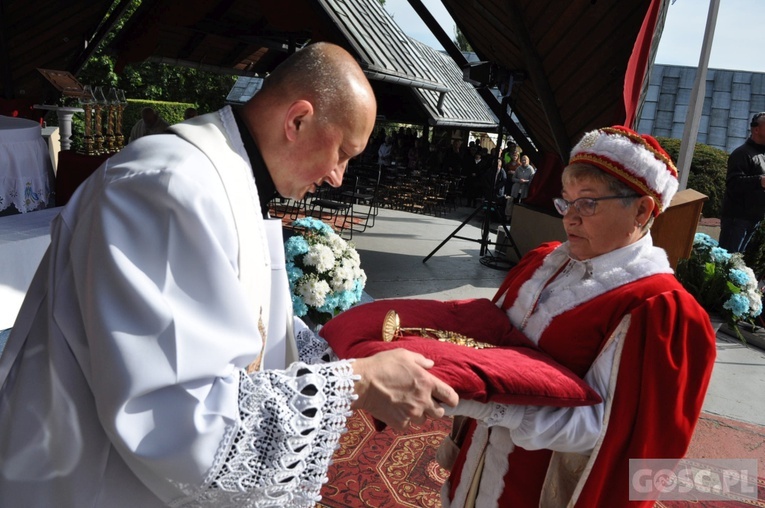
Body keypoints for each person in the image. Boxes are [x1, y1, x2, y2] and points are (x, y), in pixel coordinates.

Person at [0, 42, 457, 507]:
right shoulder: (167, 186)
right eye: (343, 151)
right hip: (88, 476)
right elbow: (170, 416)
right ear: (297, 120)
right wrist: (353, 382)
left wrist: (334, 354)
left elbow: (242, 320)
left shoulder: (230, 175)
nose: (339, 175)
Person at [441, 126, 717, 507]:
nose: (569, 218)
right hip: (476, 467)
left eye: (588, 203)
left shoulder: (657, 309)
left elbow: (607, 434)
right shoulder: (543, 261)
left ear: (642, 210)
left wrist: (486, 402)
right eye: (566, 201)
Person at [718, 112, 765, 253]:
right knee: (727, 261)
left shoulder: (762, 155)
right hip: (737, 219)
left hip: (754, 218)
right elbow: (733, 183)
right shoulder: (741, 153)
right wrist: (760, 180)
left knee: (736, 263)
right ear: (756, 129)